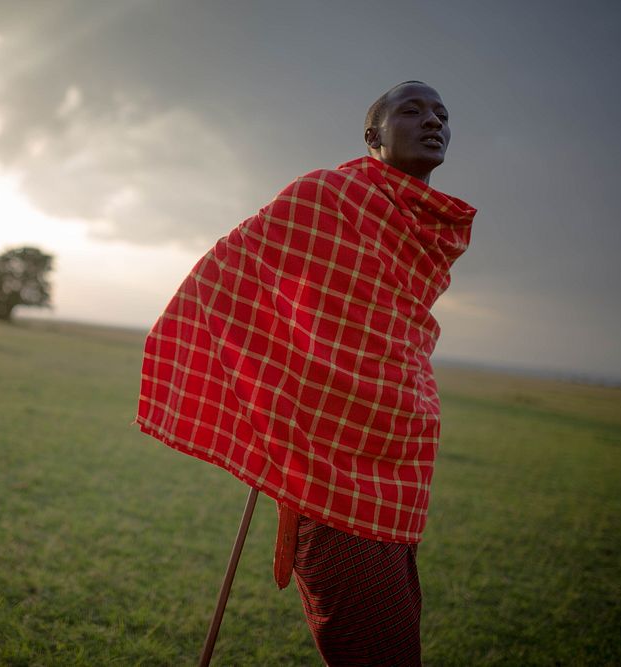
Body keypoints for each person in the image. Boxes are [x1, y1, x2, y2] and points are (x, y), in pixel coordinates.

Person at [136, 81, 476, 665]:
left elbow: (386, 326)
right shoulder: (326, 195)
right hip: (327, 456)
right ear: (372, 135)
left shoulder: (434, 226)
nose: (432, 121)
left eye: (442, 114)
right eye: (412, 110)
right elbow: (236, 266)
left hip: (400, 447)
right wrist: (277, 358)